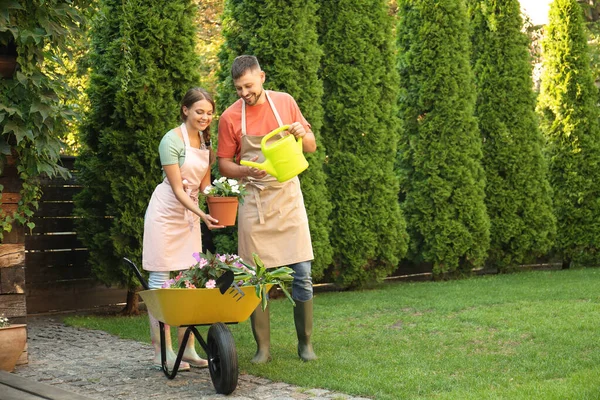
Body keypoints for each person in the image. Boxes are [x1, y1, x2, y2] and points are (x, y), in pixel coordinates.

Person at [217, 55, 318, 362]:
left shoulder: (285, 102)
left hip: (287, 198)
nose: (244, 93)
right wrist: (246, 172)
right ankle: (263, 348)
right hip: (255, 202)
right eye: (238, 88)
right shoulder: (230, 118)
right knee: (254, 277)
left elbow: (311, 146)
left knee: (302, 274)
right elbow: (223, 164)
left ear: (261, 76)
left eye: (248, 85)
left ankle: (306, 344)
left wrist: (302, 134)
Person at [142, 87, 224, 370]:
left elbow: (204, 185)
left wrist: (226, 198)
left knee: (189, 280)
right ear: (185, 110)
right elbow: (178, 189)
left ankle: (188, 349)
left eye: (210, 113)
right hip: (166, 214)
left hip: (190, 216)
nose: (205, 117)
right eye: (199, 111)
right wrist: (202, 213)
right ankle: (160, 351)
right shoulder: (171, 140)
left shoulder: (205, 142)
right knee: (161, 281)